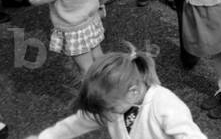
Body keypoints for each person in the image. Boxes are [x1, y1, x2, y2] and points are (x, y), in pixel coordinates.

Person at [30, 48, 205, 138]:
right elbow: (81, 121)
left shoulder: (164, 105)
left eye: (110, 109)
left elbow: (190, 135)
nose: (106, 116)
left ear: (133, 91)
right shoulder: (116, 100)